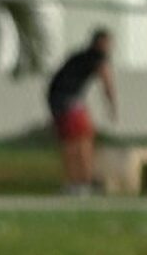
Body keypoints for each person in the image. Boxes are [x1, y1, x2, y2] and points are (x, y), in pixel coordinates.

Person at [45, 28, 117, 195]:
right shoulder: (98, 57)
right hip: (69, 100)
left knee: (70, 141)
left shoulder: (80, 55)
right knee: (81, 140)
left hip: (57, 99)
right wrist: (112, 107)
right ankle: (83, 181)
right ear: (101, 43)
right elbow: (107, 83)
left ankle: (75, 182)